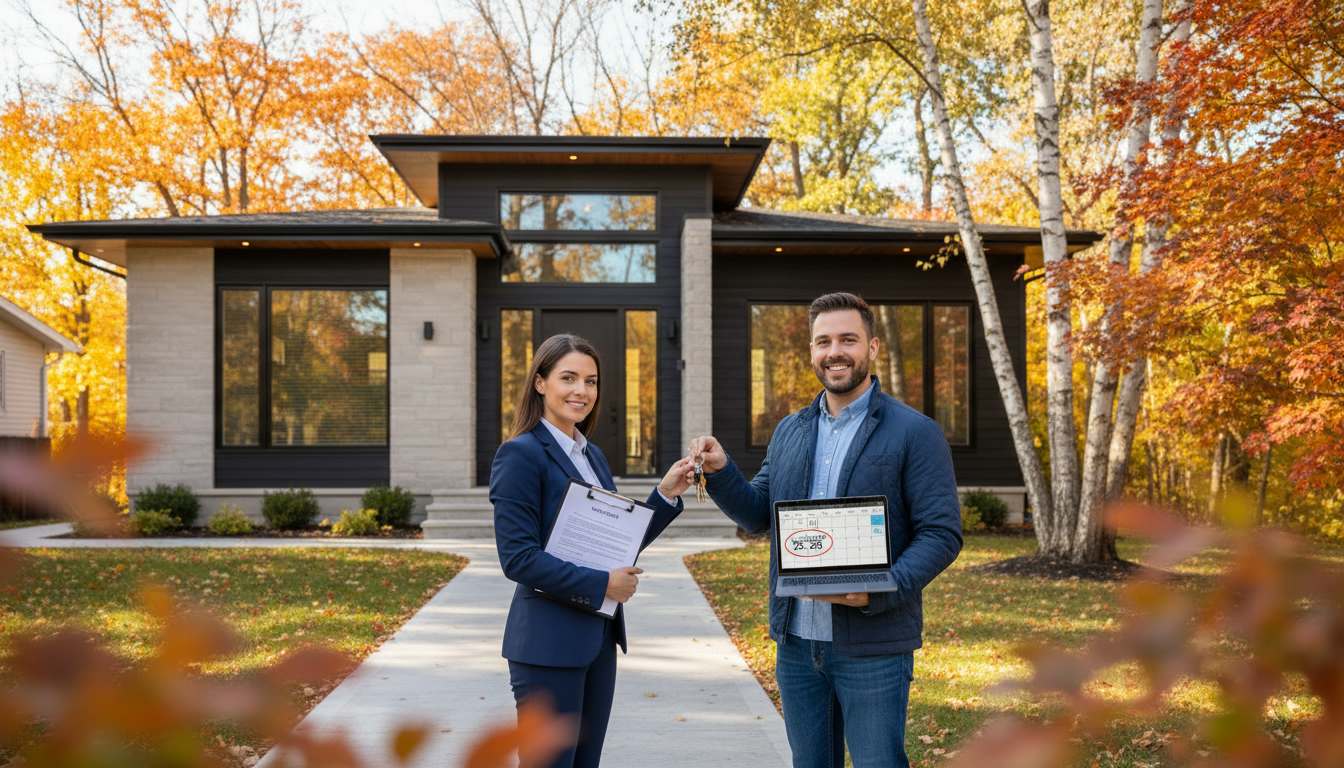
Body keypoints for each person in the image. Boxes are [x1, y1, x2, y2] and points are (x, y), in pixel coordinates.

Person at [681, 292, 963, 768]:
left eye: (848, 339)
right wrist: (723, 469)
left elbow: (941, 533)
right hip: (797, 643)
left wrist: (882, 588)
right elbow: (757, 516)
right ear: (811, 351)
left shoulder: (915, 431)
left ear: (872, 348)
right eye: (823, 341)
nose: (835, 351)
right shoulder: (790, 430)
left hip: (873, 644)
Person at [490, 333, 696, 768]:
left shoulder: (593, 456)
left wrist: (664, 493)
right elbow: (518, 558)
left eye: (591, 381)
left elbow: (617, 540)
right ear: (541, 383)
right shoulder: (520, 454)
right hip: (547, 645)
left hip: (597, 640)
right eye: (568, 378)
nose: (581, 391)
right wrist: (604, 583)